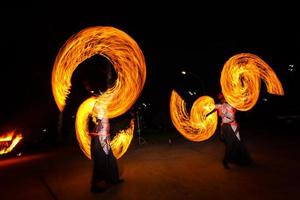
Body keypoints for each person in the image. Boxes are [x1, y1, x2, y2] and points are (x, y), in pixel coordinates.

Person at [207, 93, 252, 169]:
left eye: (223, 98)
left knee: (238, 143)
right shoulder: (220, 106)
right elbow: (210, 109)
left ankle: (238, 159)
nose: (222, 100)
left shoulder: (232, 105)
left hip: (234, 126)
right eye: (221, 98)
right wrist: (205, 114)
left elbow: (241, 103)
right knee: (230, 145)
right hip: (227, 128)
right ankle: (225, 161)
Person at [90, 106, 124, 193]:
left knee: (111, 160)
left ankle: (113, 179)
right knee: (100, 162)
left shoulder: (104, 109)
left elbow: (104, 124)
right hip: (100, 139)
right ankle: (95, 186)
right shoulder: (100, 109)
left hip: (105, 138)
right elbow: (99, 123)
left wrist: (107, 136)